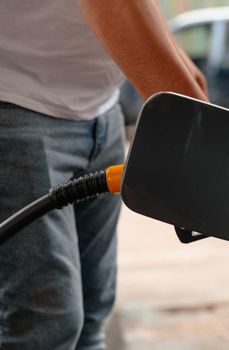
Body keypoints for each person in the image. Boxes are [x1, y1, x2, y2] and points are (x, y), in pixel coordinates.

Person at [0, 1, 207, 349]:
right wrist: (207, 133)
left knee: (92, 317)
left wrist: (187, 75)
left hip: (101, 110)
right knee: (46, 326)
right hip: (16, 107)